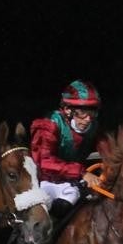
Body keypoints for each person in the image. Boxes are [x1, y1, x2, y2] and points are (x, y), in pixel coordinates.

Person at [30, 80, 111, 222]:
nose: (88, 119)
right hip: (44, 181)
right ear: (67, 110)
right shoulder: (50, 124)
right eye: (82, 113)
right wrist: (82, 173)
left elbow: (109, 152)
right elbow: (45, 162)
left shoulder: (93, 126)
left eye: (92, 113)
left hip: (72, 182)